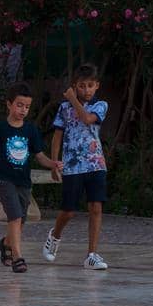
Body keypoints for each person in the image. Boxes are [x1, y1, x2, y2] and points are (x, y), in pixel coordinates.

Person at [0, 82, 61, 274]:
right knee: (14, 215)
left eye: (27, 107)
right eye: (19, 105)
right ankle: (17, 257)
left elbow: (39, 156)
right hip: (4, 180)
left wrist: (53, 163)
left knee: (20, 221)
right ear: (9, 104)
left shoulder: (30, 131)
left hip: (24, 182)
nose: (23, 110)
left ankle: (4, 244)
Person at [43, 64, 110, 270]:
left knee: (96, 208)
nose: (87, 90)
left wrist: (73, 99)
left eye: (90, 85)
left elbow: (87, 119)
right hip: (72, 166)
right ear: (75, 86)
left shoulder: (100, 106)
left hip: (95, 163)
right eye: (82, 86)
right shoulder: (64, 109)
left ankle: (91, 254)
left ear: (97, 86)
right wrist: (55, 163)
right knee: (69, 211)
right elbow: (57, 135)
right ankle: (54, 236)